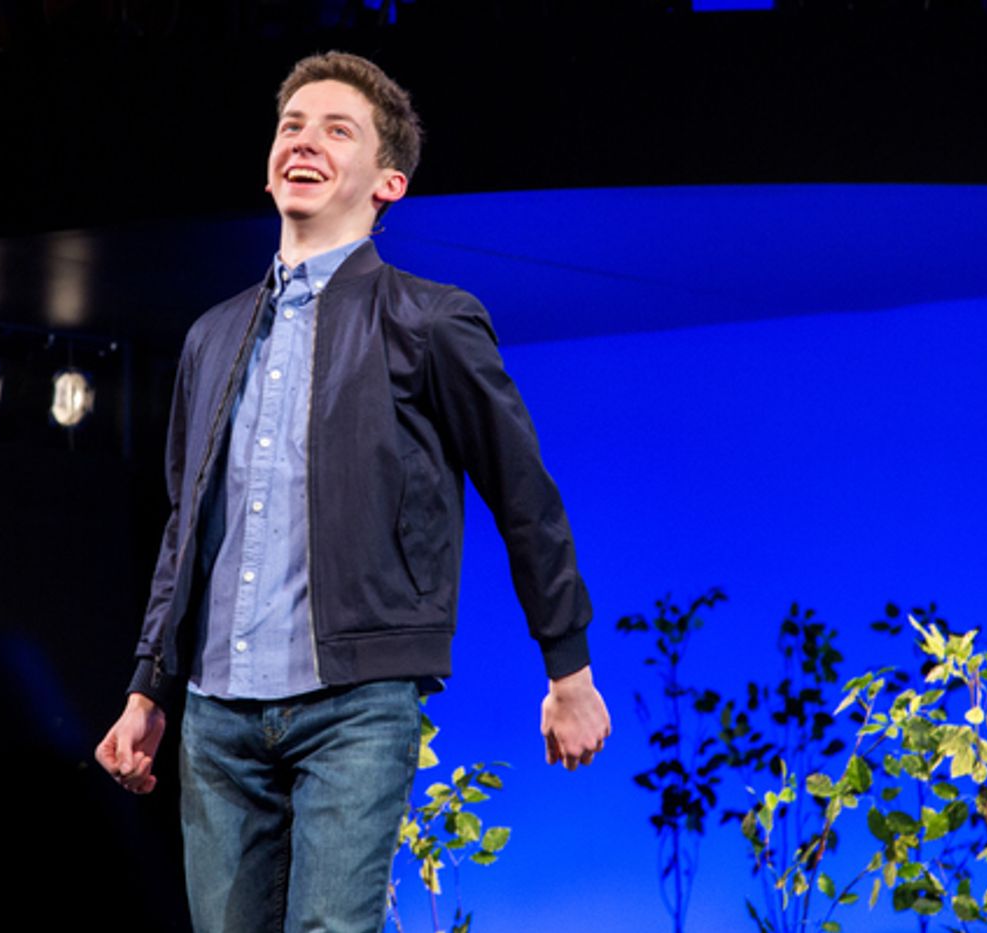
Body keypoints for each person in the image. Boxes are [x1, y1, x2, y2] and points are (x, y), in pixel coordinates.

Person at [96, 51, 612, 932]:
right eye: (291, 126)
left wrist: (568, 667)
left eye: (338, 130)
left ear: (388, 183)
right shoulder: (212, 336)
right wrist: (148, 686)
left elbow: (524, 495)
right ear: (270, 166)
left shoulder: (431, 320)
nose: (304, 142)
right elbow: (187, 529)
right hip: (217, 713)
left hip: (355, 707)